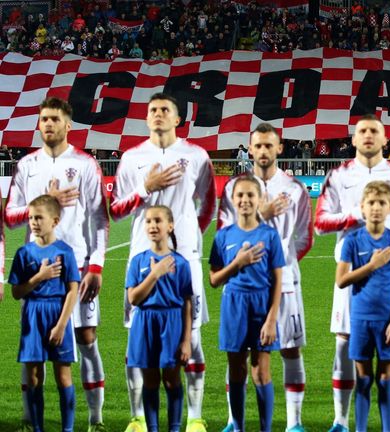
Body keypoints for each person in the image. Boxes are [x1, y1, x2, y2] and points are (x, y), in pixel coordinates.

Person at [110, 93, 215, 432]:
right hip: (142, 256)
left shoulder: (197, 156)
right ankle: (138, 417)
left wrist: (189, 235)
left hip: (186, 258)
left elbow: (208, 203)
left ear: (177, 118)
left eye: (165, 110)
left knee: (192, 337)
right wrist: (145, 187)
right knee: (137, 341)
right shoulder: (132, 158)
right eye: (152, 110)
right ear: (146, 118)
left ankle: (195, 417)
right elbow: (116, 209)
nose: (158, 114)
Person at [5, 97, 109, 432]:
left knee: (86, 337)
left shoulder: (84, 164)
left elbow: (100, 218)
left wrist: (96, 265)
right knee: (33, 343)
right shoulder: (26, 166)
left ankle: (96, 417)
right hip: (35, 266)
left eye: (55, 119)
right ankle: (27, 416)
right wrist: (42, 205)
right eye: (44, 119)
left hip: (76, 265)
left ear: (68, 125)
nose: (48, 124)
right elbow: (9, 216)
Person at [315, 114, 390, 432]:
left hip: (389, 276)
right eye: (362, 131)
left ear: (385, 139)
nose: (368, 135)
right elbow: (320, 222)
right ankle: (341, 420)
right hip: (350, 274)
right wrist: (355, 217)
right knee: (343, 345)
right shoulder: (338, 176)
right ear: (353, 139)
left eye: (375, 130)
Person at [217, 123, 312, 432]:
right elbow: (224, 233)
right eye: (258, 146)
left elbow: (304, 237)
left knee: (290, 348)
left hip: (285, 283)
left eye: (269, 146)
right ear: (250, 148)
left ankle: (294, 423)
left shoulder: (295, 188)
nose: (263, 151)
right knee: (239, 353)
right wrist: (262, 215)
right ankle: (235, 421)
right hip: (243, 284)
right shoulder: (235, 188)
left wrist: (280, 260)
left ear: (279, 148)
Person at [209, 176, 285, 432]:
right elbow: (214, 280)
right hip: (234, 305)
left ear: (260, 199)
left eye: (250, 195)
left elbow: (277, 280)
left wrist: (272, 318)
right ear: (232, 199)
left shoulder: (270, 235)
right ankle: (238, 427)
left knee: (261, 372)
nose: (245, 200)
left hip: (262, 306)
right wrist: (237, 264)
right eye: (240, 195)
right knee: (237, 370)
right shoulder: (223, 236)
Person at [335, 181, 390, 432]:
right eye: (371, 203)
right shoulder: (352, 242)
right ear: (362, 208)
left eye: (381, 203)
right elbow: (341, 280)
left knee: (386, 379)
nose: (376, 208)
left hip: (388, 321)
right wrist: (372, 265)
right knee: (364, 379)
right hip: (360, 319)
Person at [10, 195, 81, 432]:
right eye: (31, 218)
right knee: (33, 376)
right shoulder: (23, 253)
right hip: (32, 314)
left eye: (39, 217)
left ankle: (67, 429)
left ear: (55, 220)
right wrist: (39, 277)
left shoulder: (65, 252)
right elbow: (17, 292)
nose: (33, 222)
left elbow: (73, 290)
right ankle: (38, 427)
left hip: (57, 313)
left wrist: (62, 325)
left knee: (63, 375)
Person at [126, 205, 192, 432]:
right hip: (145, 323)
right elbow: (133, 298)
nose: (153, 226)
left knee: (172, 380)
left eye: (158, 221)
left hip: (171, 324)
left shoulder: (181, 263)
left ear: (170, 226)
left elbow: (187, 303)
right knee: (150, 380)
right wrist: (154, 274)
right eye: (148, 221)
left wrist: (186, 340)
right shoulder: (138, 262)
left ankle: (174, 428)